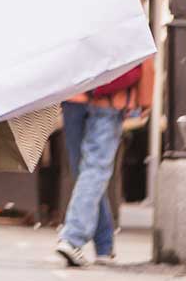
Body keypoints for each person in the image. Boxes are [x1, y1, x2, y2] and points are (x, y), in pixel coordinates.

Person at [55, 58, 153, 267]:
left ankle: (94, 243)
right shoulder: (130, 24)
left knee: (88, 172)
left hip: (76, 94)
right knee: (92, 171)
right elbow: (145, 56)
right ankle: (77, 239)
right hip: (109, 99)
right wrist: (145, 100)